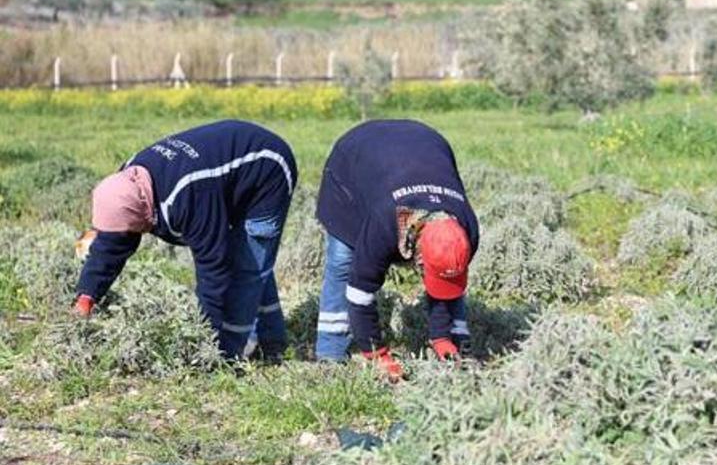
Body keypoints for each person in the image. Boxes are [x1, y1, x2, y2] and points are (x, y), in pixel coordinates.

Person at [74, 120, 297, 360]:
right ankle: (273, 340)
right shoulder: (126, 183)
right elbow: (111, 244)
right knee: (249, 259)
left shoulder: (187, 196)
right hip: (225, 173)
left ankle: (231, 355)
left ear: (141, 212)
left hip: (267, 168)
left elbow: (213, 268)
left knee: (247, 268)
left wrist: (206, 339)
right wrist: (87, 295)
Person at [314, 119, 479, 380]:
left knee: (447, 282)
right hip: (353, 161)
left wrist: (443, 337)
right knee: (343, 261)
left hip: (424, 143)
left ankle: (459, 348)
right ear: (419, 256)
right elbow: (360, 294)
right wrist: (376, 353)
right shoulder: (383, 224)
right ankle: (330, 355)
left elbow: (447, 285)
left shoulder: (466, 228)